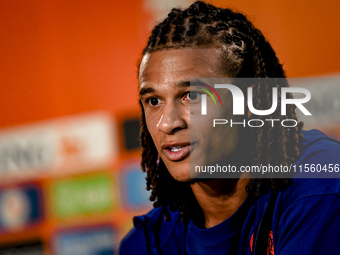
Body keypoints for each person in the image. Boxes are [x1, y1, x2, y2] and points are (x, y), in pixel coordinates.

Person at [119, 1, 340, 254]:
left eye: (191, 95)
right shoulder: (148, 243)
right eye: (154, 101)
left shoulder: (320, 182)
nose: (167, 123)